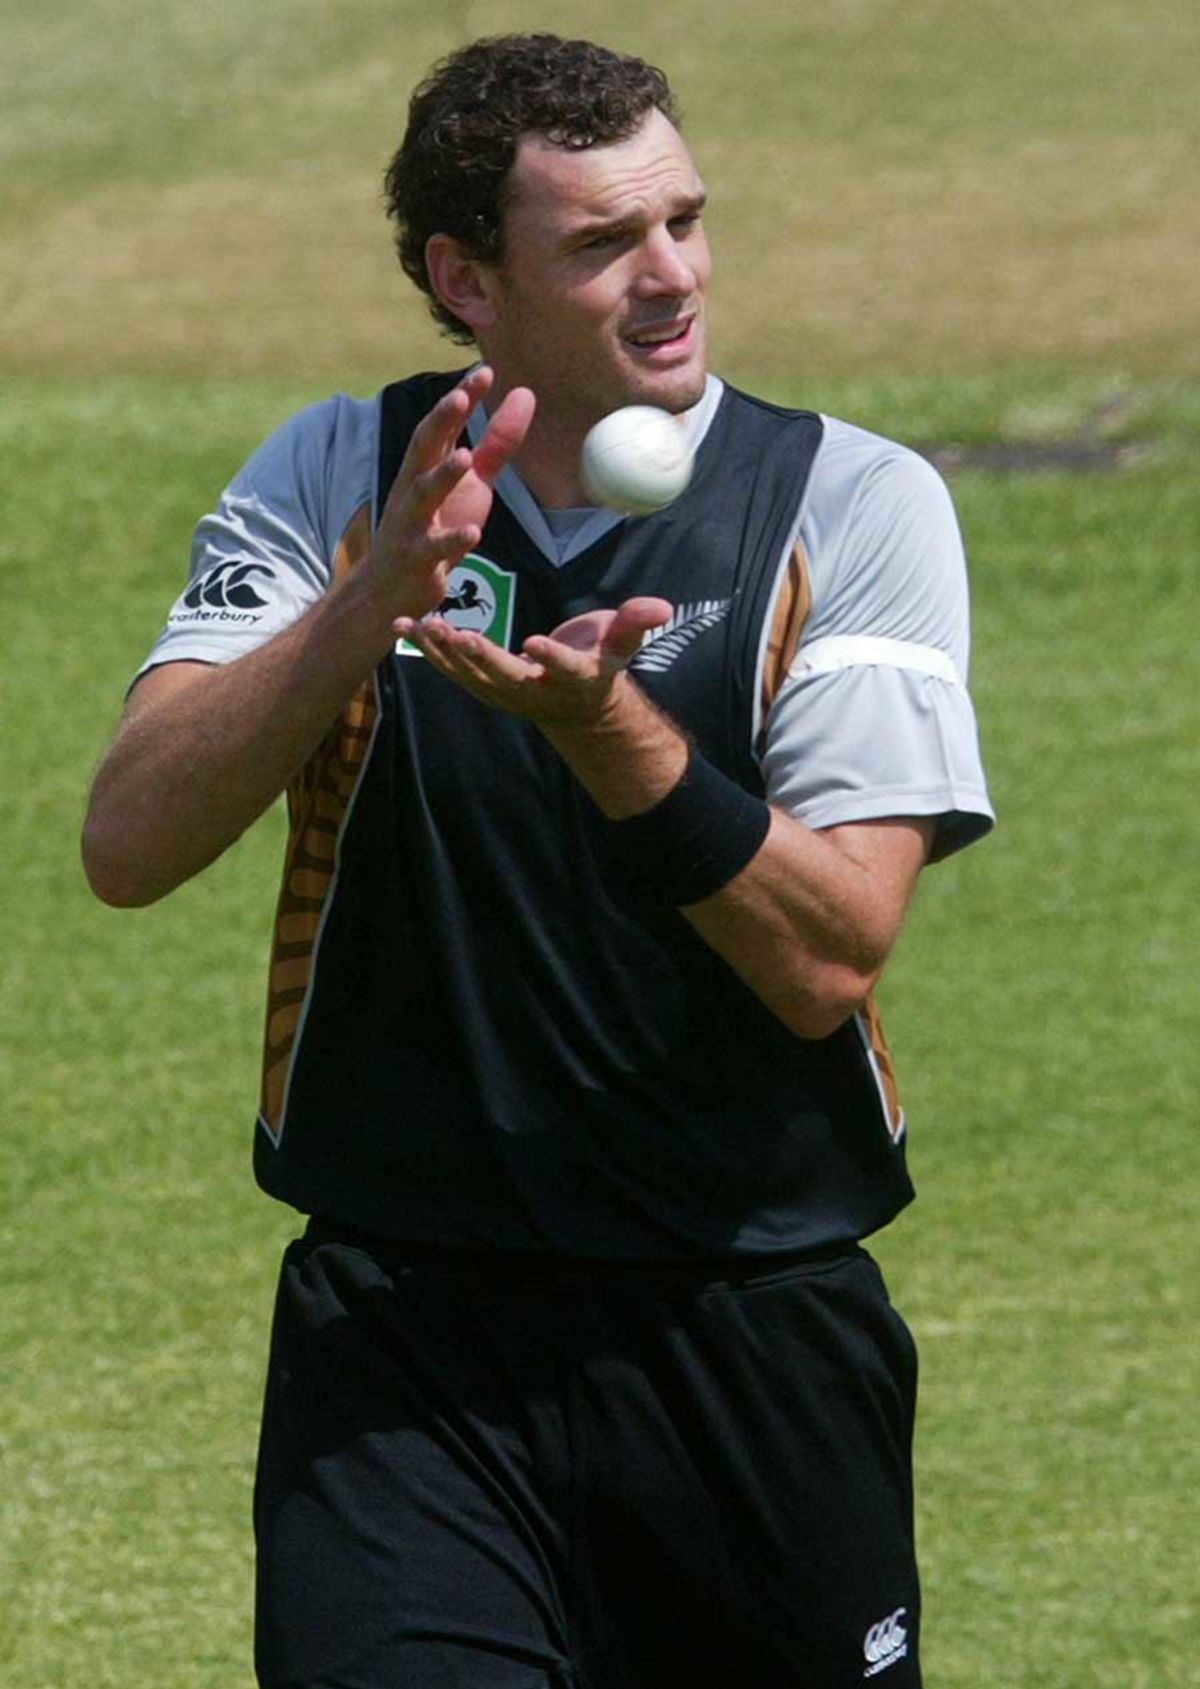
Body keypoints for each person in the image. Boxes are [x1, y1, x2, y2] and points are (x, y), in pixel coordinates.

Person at [82, 32, 994, 1689]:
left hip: (749, 1331)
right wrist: (367, 607)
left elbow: (831, 951)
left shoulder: (852, 504)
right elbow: (130, 841)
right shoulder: (341, 481)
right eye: (602, 243)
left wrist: (610, 734)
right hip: (405, 1348)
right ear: (465, 277)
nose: (672, 276)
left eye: (685, 221)